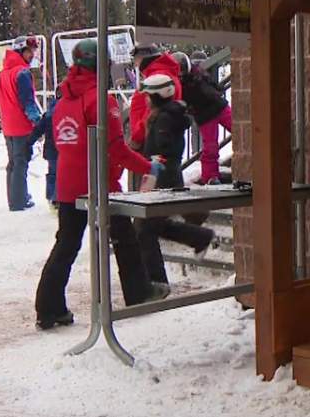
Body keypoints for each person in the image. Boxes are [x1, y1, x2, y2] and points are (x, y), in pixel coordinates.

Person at [33, 39, 169, 330]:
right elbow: (116, 148)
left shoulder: (63, 100)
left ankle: (49, 306)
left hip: (69, 185)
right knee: (124, 237)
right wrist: (149, 166)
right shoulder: (101, 100)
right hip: (98, 184)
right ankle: (139, 291)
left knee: (66, 244)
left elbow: (62, 143)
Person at [135, 73, 215, 285]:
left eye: (148, 96)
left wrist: (150, 165)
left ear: (157, 97)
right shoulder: (170, 115)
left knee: (145, 229)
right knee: (154, 226)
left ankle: (156, 281)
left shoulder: (164, 118)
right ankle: (199, 236)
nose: (145, 99)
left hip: (160, 176)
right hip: (163, 174)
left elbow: (162, 147)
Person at [0, 35, 41, 211]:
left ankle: (14, 197)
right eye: (29, 51)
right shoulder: (22, 73)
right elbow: (27, 101)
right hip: (21, 125)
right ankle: (19, 200)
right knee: (21, 162)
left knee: (13, 163)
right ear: (21, 51)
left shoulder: (4, 73)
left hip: (8, 125)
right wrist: (37, 121)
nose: (32, 55)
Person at [177, 51, 234, 184]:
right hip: (206, 114)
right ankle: (210, 176)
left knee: (240, 131)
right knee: (211, 147)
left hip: (217, 107)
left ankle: (210, 176)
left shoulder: (197, 74)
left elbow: (212, 84)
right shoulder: (185, 81)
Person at [127, 42, 182, 152]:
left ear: (144, 58)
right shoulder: (164, 73)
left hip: (150, 139)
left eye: (136, 60)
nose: (136, 64)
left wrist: (137, 137)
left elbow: (152, 112)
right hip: (157, 135)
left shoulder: (157, 78)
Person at [27, 86, 60, 205]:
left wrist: (29, 142)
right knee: (65, 174)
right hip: (65, 149)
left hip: (51, 151)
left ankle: (52, 197)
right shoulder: (71, 110)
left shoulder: (49, 114)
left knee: (53, 174)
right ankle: (64, 197)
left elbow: (38, 130)